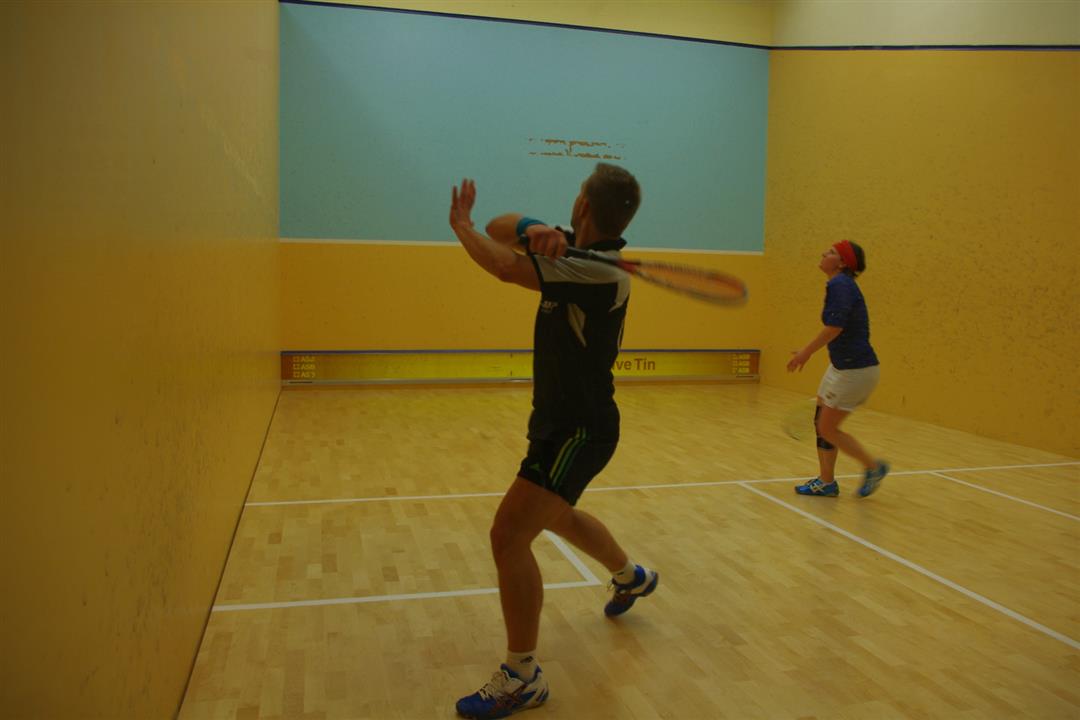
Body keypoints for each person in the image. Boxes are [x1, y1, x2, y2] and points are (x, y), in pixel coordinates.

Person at [448, 164, 659, 720]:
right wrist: (536, 227)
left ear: (584, 204)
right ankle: (631, 577)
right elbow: (503, 227)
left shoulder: (598, 270)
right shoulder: (573, 251)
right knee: (558, 517)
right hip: (560, 423)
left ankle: (523, 676)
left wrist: (461, 225)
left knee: (509, 535)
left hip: (578, 430)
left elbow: (501, 263)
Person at [786, 240, 889, 498]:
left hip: (855, 371)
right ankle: (826, 482)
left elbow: (834, 327)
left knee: (827, 428)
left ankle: (873, 467)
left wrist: (805, 352)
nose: (823, 253)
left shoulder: (840, 284)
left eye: (831, 252)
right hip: (841, 367)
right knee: (821, 421)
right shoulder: (839, 284)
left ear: (843, 263)